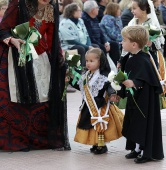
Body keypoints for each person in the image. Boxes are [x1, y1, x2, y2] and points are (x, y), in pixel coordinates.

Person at [0, 0, 71, 151]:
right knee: (14, 98)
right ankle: (17, 140)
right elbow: (3, 30)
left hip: (40, 58)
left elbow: (52, 38)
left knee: (43, 98)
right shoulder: (18, 3)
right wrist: (12, 40)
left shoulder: (50, 8)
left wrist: (60, 62)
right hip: (16, 57)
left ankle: (39, 140)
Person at [118, 25, 164, 163]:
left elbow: (146, 79)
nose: (121, 42)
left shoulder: (144, 59)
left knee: (142, 124)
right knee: (133, 122)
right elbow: (126, 76)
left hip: (145, 101)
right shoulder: (130, 57)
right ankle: (136, 148)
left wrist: (135, 83)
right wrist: (120, 93)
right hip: (134, 99)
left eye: (124, 40)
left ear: (134, 44)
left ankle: (145, 151)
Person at [73, 48, 124, 154]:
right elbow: (81, 87)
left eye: (92, 61)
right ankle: (95, 143)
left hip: (102, 105)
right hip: (89, 105)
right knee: (91, 125)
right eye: (87, 61)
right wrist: (69, 81)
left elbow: (109, 86)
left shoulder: (104, 76)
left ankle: (102, 145)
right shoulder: (86, 75)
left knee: (101, 124)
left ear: (100, 61)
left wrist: (112, 94)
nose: (88, 63)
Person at [82, 0, 121, 66]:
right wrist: (102, 44)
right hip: (93, 43)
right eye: (97, 8)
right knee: (101, 47)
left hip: (99, 41)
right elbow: (90, 36)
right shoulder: (85, 20)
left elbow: (101, 32)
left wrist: (106, 42)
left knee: (114, 45)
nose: (98, 9)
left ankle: (116, 67)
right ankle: (105, 68)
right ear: (92, 10)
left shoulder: (94, 18)